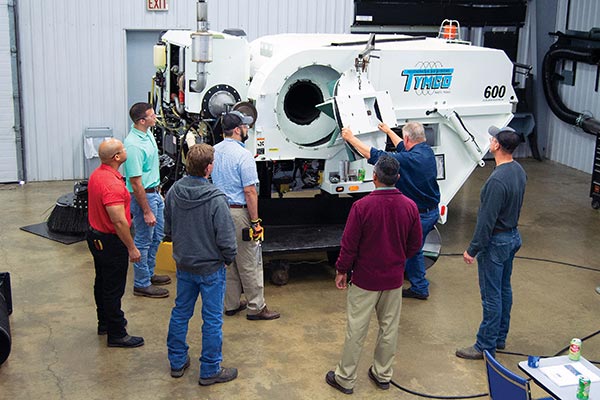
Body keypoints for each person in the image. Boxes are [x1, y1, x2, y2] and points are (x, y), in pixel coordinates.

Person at [325, 155, 422, 395]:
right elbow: (415, 245)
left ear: (374, 177)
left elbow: (349, 245)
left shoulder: (362, 207)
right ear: (397, 178)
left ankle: (345, 378)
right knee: (389, 328)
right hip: (393, 279)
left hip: (365, 280)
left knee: (356, 329)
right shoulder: (410, 206)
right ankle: (382, 375)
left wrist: (342, 270)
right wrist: (398, 260)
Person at [164, 144, 239, 385]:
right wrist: (227, 259)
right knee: (212, 319)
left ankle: (177, 361)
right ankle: (209, 369)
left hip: (185, 265)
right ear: (208, 168)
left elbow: (168, 228)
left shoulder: (174, 191)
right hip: (211, 269)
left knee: (180, 313)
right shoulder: (216, 198)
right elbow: (227, 239)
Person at [341, 121, 440, 300]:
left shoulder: (408, 160)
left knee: (402, 249)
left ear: (408, 137)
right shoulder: (425, 151)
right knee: (416, 249)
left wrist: (350, 138)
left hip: (420, 215)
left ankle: (393, 284)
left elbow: (373, 155)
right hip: (431, 212)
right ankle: (419, 286)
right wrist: (387, 131)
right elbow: (403, 146)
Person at [456, 126, 527, 360]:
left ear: (496, 145)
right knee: (504, 289)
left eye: (492, 139)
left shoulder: (496, 181)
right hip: (512, 236)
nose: (489, 140)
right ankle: (499, 337)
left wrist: (473, 248)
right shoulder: (518, 170)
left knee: (491, 295)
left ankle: (485, 345)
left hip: (496, 242)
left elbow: (486, 221)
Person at [211, 110, 280, 320]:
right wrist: (255, 222)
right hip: (237, 213)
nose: (247, 129)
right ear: (236, 130)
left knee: (227, 259)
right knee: (250, 260)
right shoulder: (244, 156)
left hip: (217, 212)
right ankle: (256, 307)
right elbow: (250, 192)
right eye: (245, 126)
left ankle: (230, 304)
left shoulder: (212, 151)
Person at [86, 138, 144, 348]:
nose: (126, 150)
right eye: (123, 149)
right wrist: (131, 247)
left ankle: (105, 323)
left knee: (101, 282)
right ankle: (117, 333)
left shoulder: (98, 175)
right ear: (117, 157)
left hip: (96, 237)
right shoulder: (111, 184)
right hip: (111, 241)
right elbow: (119, 221)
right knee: (113, 288)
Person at [123, 102, 171, 298]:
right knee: (143, 239)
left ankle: (149, 273)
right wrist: (146, 210)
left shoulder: (148, 133)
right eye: (152, 115)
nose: (156, 117)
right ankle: (141, 283)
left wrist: (158, 192)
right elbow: (135, 183)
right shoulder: (133, 145)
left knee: (157, 235)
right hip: (144, 197)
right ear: (142, 121)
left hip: (154, 193)